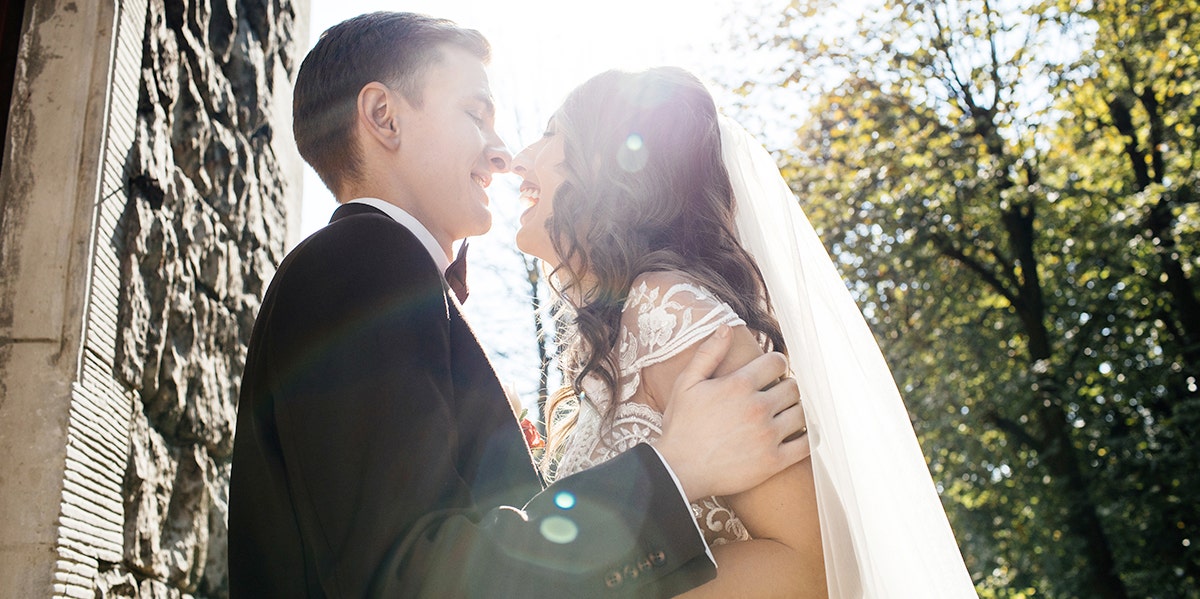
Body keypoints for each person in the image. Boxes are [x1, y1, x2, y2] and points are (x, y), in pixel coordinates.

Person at [227, 13, 810, 598]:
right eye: (475, 115)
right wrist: (674, 466)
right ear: (385, 117)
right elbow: (409, 578)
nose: (505, 154)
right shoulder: (364, 262)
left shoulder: (383, 277)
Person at [511, 67, 978, 597]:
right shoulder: (620, 332)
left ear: (607, 165)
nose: (519, 158)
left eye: (552, 133)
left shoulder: (667, 309)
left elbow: (811, 568)